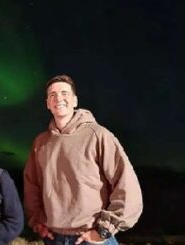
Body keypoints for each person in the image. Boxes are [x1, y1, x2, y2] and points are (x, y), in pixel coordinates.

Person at [23, 74, 143, 245]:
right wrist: (37, 222)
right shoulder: (41, 143)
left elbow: (126, 184)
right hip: (53, 238)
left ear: (75, 101)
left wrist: (104, 230)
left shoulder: (98, 135)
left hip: (91, 237)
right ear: (48, 104)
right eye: (53, 95)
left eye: (65, 93)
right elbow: (31, 186)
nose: (59, 98)